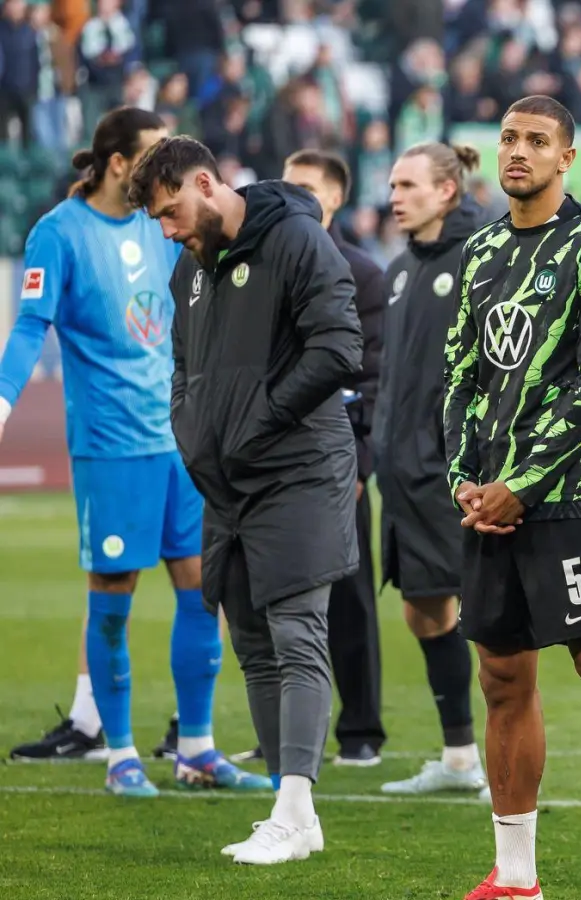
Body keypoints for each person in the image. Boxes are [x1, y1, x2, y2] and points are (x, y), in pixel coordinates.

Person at [0, 107, 265, 797]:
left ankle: (198, 750)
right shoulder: (59, 234)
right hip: (112, 447)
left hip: (183, 442)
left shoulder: (166, 225)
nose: (170, 164)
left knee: (200, 594)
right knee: (113, 599)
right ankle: (119, 754)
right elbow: (31, 328)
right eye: (156, 154)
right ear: (120, 163)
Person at [442, 95, 581, 900]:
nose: (518, 152)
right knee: (502, 679)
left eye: (537, 140)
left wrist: (522, 485)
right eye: (508, 138)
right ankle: (515, 874)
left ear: (566, 157)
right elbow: (461, 374)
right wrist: (464, 481)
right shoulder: (480, 252)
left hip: (572, 496)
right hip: (488, 504)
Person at [129, 136, 363, 864]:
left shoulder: (297, 239)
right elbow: (181, 365)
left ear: (206, 182)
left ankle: (294, 811)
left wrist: (258, 423)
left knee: (297, 631)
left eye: (171, 212)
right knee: (253, 639)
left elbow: (339, 350)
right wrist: (193, 433)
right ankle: (291, 809)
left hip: (298, 468)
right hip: (228, 480)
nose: (167, 230)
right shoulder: (189, 271)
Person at [373, 141, 488, 796]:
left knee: (488, 619)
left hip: (454, 472)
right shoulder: (398, 270)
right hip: (403, 473)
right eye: (392, 185)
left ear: (446, 191)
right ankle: (458, 759)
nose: (395, 197)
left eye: (408, 185)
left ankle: (505, 765)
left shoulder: (482, 258)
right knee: (423, 611)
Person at [281, 147, 390, 767]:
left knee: (350, 595)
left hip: (338, 460)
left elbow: (373, 378)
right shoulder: (266, 262)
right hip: (275, 458)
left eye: (307, 187)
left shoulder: (363, 273)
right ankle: (285, 730)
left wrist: (360, 462)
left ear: (335, 197)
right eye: (287, 184)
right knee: (270, 594)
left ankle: (361, 728)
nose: (294, 195)